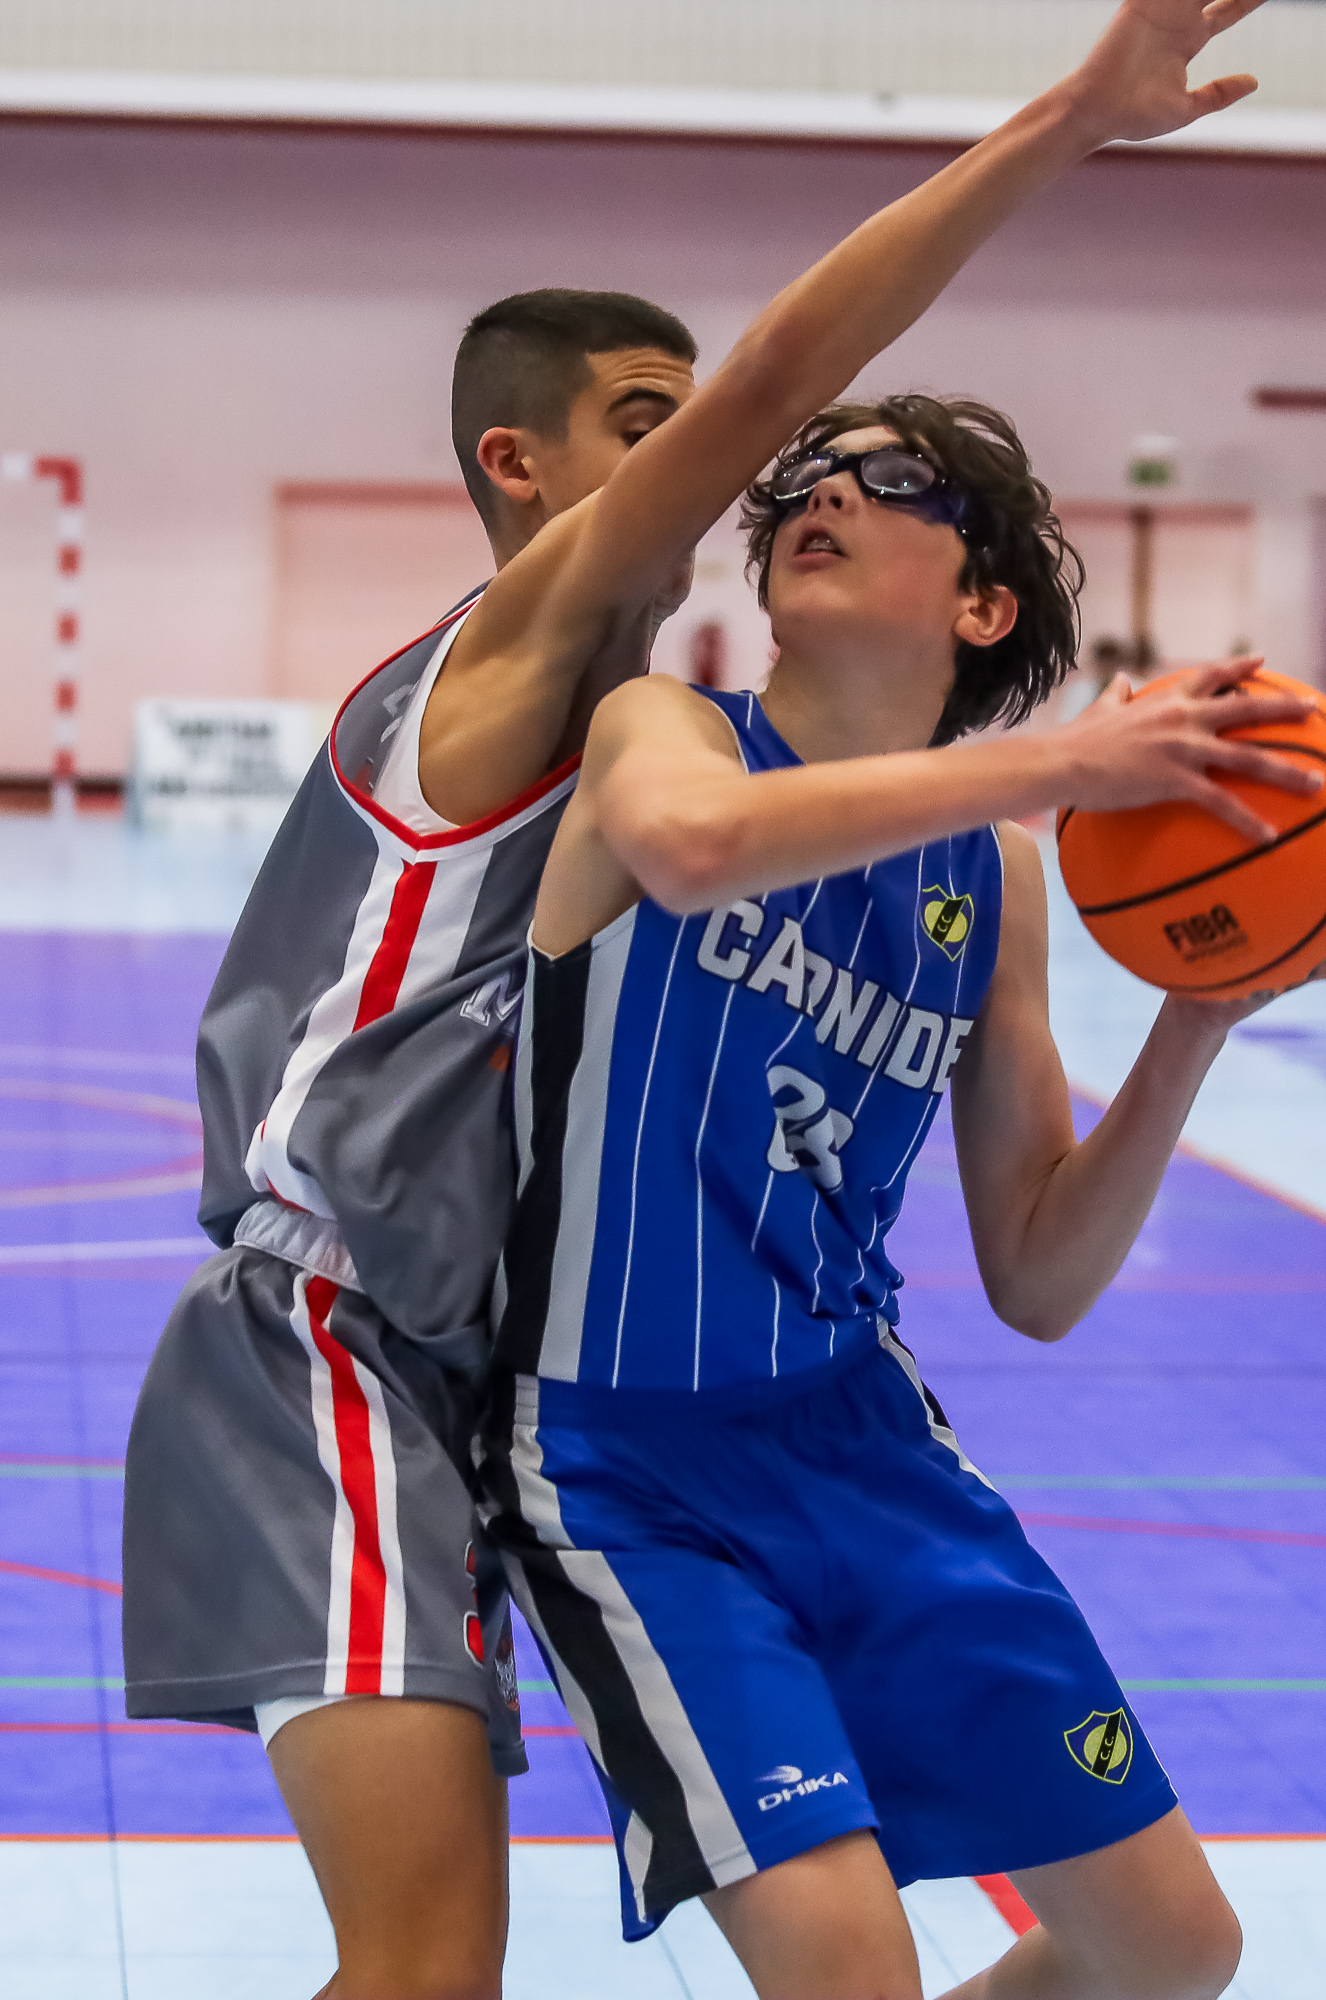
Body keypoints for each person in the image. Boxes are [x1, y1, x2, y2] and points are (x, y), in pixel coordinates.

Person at [458, 3, 1326, 1995]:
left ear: (984, 602)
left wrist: (1199, 1015)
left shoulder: (988, 880)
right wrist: (1061, 761)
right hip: (619, 1454)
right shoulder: (666, 727)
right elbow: (695, 852)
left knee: (1171, 1953)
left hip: (867, 1438)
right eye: (810, 472)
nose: (824, 485)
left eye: (891, 480)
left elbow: (1038, 1272)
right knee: (846, 1962)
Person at [123, 288, 700, 1999]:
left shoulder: (644, 735)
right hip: (327, 1338)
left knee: (429, 1971)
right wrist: (1038, 155)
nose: (714, 461)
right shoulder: (506, 655)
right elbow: (792, 376)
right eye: (655, 425)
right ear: (517, 466)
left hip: (465, 1374)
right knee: (427, 1968)